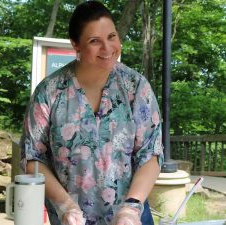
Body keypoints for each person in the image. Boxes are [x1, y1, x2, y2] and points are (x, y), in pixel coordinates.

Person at [20, 1, 164, 225]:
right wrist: (65, 205)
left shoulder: (135, 87)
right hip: (71, 219)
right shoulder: (49, 91)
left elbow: (151, 153)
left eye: (112, 36)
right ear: (75, 45)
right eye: (94, 41)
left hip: (130, 218)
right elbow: (33, 159)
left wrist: (131, 208)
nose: (107, 48)